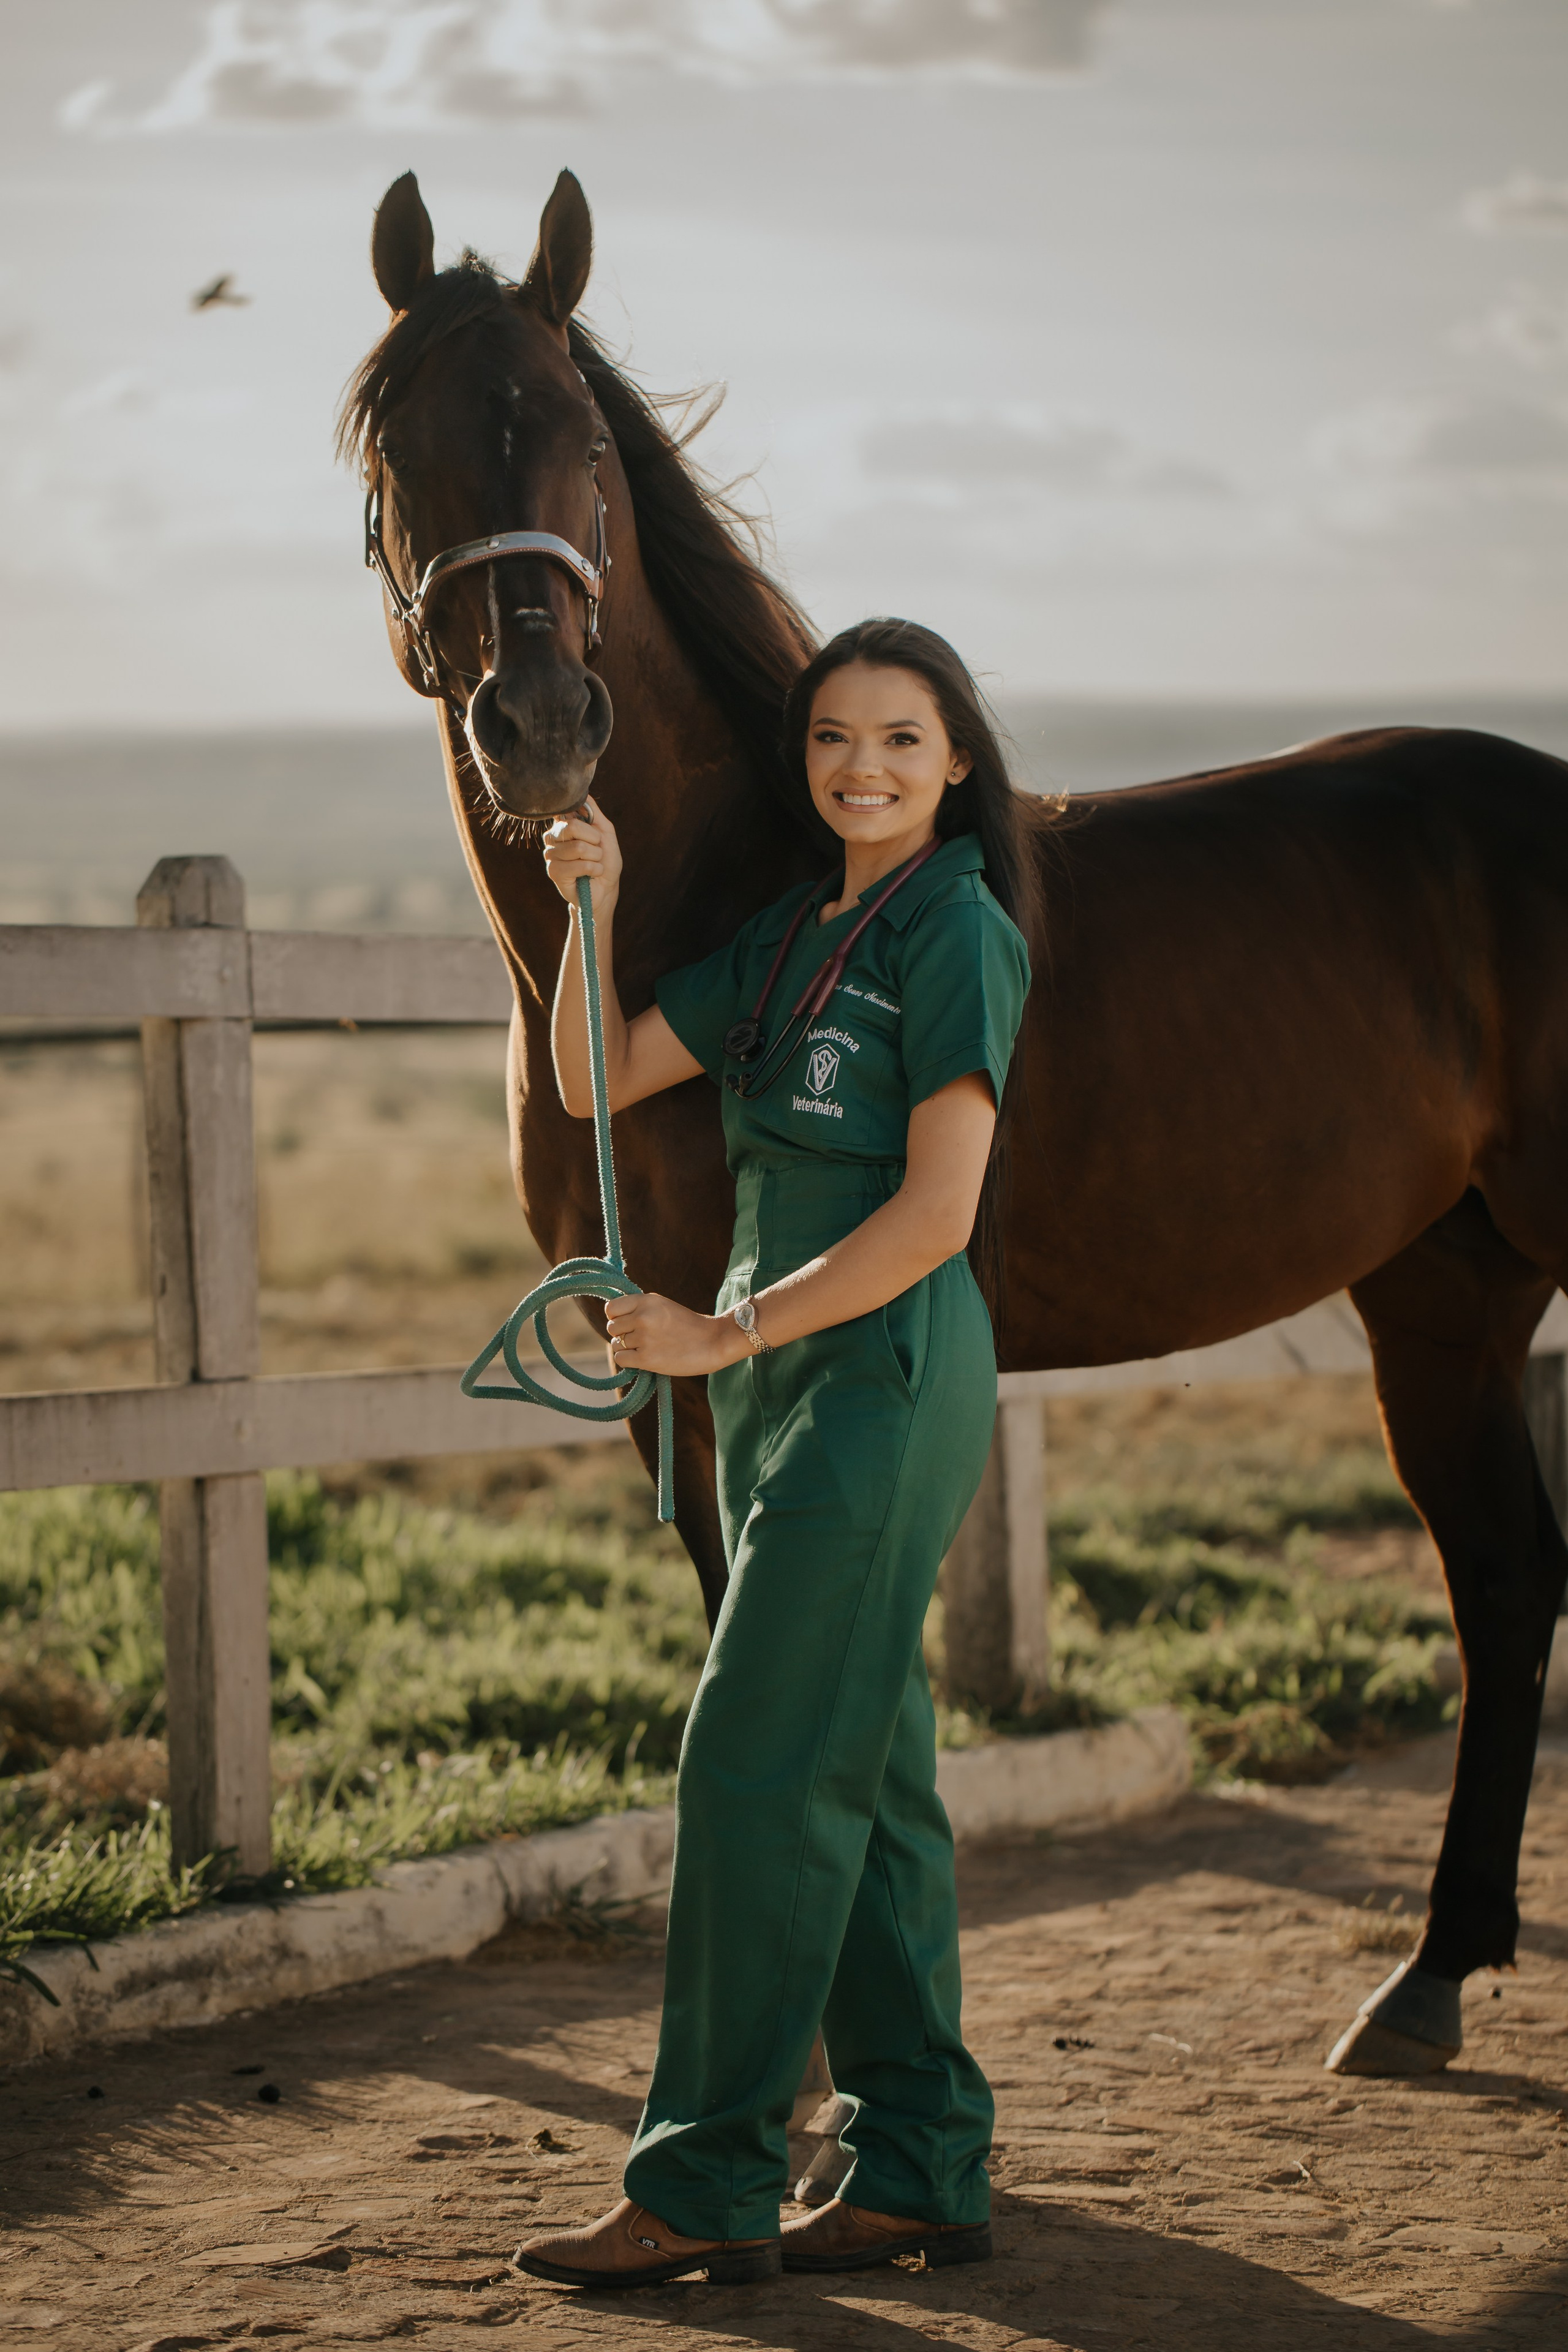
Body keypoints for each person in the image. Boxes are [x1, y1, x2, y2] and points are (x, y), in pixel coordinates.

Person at [513, 617, 1036, 2290]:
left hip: (879, 1367)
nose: (860, 766)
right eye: (832, 738)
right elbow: (593, 1074)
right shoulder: (787, 937)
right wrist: (582, 908)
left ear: (956, 759)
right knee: (866, 1778)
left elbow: (940, 1214)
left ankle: (705, 2181)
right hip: (776, 1393)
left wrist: (729, 1331)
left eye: (898, 737)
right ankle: (922, 2163)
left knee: (749, 1757)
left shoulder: (957, 927)